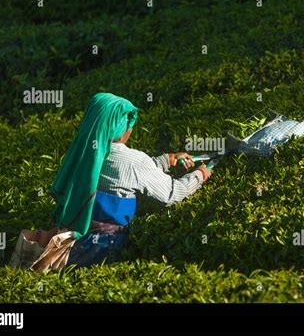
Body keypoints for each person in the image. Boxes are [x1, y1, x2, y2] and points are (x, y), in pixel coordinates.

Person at [46, 93, 212, 266]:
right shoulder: (134, 160)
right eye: (130, 125)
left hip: (69, 241)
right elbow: (173, 193)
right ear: (121, 128)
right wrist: (200, 174)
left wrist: (167, 160)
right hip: (105, 249)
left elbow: (126, 174)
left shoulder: (80, 153)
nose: (131, 129)